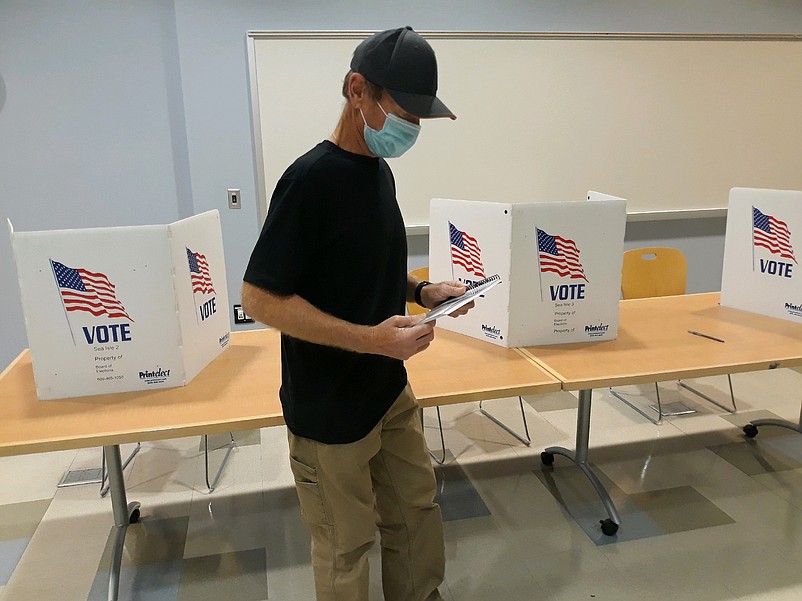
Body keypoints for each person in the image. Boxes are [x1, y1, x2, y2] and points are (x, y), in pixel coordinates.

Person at [241, 26, 473, 601]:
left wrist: (422, 292)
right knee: (346, 547)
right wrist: (369, 340)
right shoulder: (309, 181)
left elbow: (366, 266)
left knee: (416, 515)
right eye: (405, 112)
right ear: (357, 91)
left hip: (387, 391)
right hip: (327, 408)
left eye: (421, 119)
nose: (412, 129)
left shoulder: (378, 173)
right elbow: (260, 297)